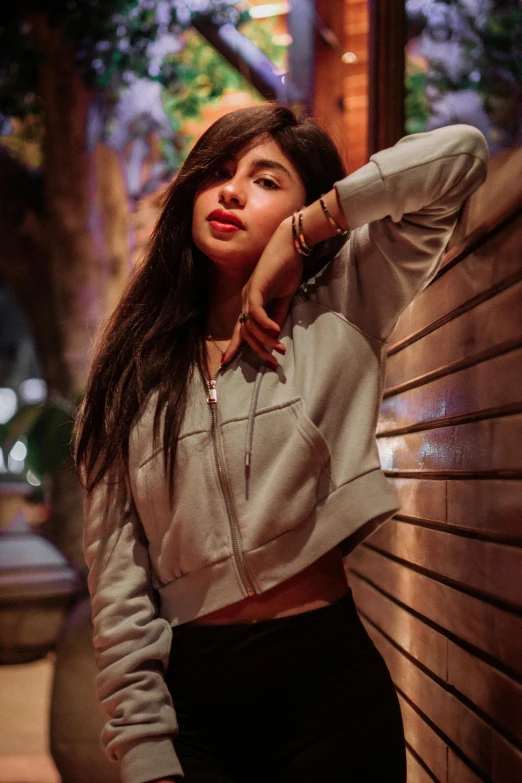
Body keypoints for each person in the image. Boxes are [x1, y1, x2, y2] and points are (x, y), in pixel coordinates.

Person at [75, 104, 488, 783]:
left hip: (327, 694)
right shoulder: (129, 374)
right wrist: (145, 750)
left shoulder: (348, 297)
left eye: (268, 180)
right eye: (218, 172)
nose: (232, 191)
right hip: (193, 710)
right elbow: (118, 582)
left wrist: (305, 232)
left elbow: (461, 155)